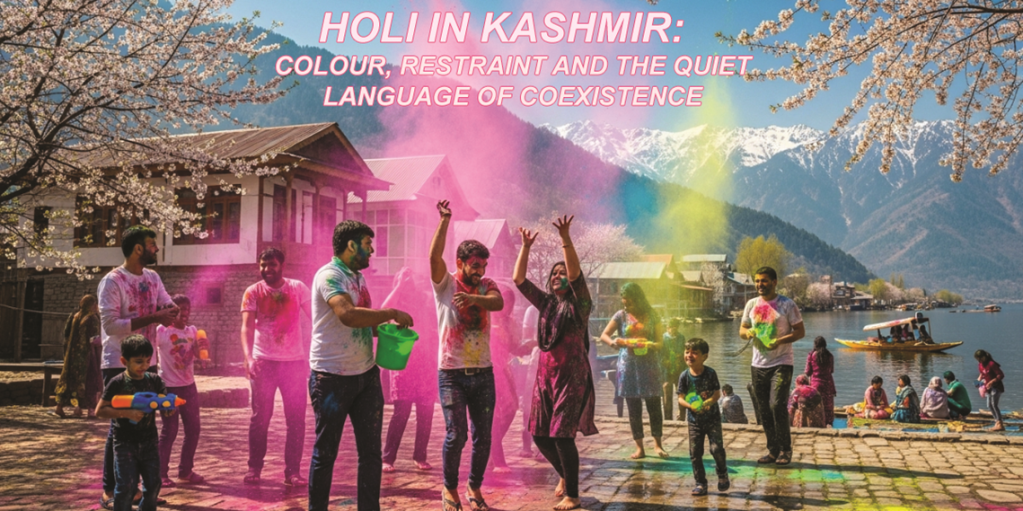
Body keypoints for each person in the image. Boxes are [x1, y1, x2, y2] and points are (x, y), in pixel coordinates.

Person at [308, 220, 413, 511]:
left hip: (366, 377)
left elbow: (365, 324)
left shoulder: (358, 277)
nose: (373, 252)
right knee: (326, 452)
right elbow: (348, 315)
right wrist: (390, 311)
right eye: (368, 245)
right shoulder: (329, 276)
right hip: (331, 377)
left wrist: (388, 331)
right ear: (351, 245)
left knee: (371, 453)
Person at [514, 215, 598, 511]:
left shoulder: (579, 306)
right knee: (538, 434)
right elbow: (519, 281)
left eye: (560, 273)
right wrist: (525, 247)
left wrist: (565, 238)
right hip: (544, 378)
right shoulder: (547, 303)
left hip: (571, 378)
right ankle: (565, 474)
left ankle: (573, 494)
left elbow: (576, 276)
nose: (556, 276)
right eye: (553, 274)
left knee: (562, 435)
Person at [430, 200, 504, 511]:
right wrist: (445, 221)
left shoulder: (487, 286)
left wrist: (474, 297)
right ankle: (449, 489)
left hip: (483, 372)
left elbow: (497, 303)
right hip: (451, 373)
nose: (481, 270)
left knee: (484, 436)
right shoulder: (445, 282)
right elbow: (434, 256)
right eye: (475, 265)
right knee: (456, 434)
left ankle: (474, 485)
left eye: (483, 265)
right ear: (461, 262)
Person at [97, 225, 178, 509]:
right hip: (118, 361)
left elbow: (165, 303)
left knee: (145, 420)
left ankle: (144, 487)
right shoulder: (112, 281)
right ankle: (112, 490)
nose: (157, 249)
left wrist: (171, 312)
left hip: (149, 361)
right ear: (139, 249)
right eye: (153, 244)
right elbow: (111, 325)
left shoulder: (153, 277)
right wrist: (154, 316)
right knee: (119, 423)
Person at [240, 247, 311, 487]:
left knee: (296, 419)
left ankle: (293, 472)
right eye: (263, 265)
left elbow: (316, 318)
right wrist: (249, 358)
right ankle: (254, 468)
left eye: (272, 265)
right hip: (264, 362)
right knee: (260, 417)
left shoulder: (298, 288)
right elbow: (247, 328)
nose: (267, 269)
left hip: (294, 364)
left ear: (282, 265)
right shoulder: (252, 292)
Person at [95, 335, 172, 511]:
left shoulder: (155, 380)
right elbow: (100, 410)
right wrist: (125, 413)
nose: (144, 366)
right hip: (124, 442)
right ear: (124, 361)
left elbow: (163, 403)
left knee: (153, 484)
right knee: (125, 487)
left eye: (147, 361)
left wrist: (168, 408)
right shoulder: (117, 383)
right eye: (138, 361)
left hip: (149, 442)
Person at [738, 266, 805, 466]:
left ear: (774, 282)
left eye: (764, 281)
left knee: (777, 405)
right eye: (757, 281)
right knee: (763, 408)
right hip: (758, 364)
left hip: (782, 363)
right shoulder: (751, 304)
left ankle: (786, 449)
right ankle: (773, 450)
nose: (760, 284)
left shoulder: (787, 305)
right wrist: (747, 333)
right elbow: (742, 329)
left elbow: (800, 332)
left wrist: (780, 341)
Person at [599, 282, 667, 460]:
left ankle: (658, 445)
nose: (626, 306)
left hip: (650, 365)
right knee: (633, 407)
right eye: (624, 302)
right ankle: (639, 448)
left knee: (653, 405)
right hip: (628, 366)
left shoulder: (652, 315)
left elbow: (660, 342)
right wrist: (614, 343)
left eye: (629, 302)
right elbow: (604, 335)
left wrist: (650, 344)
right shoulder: (621, 315)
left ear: (638, 299)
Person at [381, 268, 438, 473]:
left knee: (426, 411)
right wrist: (398, 286)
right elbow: (383, 308)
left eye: (410, 281)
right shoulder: (395, 306)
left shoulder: (424, 301)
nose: (409, 284)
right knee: (401, 412)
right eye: (404, 280)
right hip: (403, 363)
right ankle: (388, 457)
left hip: (425, 363)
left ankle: (420, 456)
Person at [156, 294, 206, 487]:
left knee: (193, 429)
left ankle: (186, 471)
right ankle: (160, 474)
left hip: (189, 387)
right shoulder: (162, 332)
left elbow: (198, 356)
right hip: (168, 388)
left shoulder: (193, 331)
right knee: (170, 430)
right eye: (179, 309)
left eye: (187, 309)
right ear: (171, 311)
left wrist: (202, 354)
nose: (184, 313)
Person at [677, 338, 728, 496]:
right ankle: (700, 483)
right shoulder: (684, 376)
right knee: (695, 452)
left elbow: (717, 394)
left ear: (704, 356)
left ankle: (722, 474)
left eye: (694, 353)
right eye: (687, 352)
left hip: (712, 420)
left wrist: (707, 403)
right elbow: (680, 398)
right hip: (694, 422)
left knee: (716, 449)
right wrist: (690, 406)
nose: (689, 355)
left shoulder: (711, 373)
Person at [488, 284, 531, 473]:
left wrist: (531, 345)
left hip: (504, 372)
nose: (510, 306)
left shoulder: (510, 322)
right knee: (493, 416)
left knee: (511, 410)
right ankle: (498, 459)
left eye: (512, 303)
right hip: (487, 371)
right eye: (507, 302)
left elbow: (515, 348)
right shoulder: (484, 319)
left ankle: (490, 447)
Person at [54, 294, 103, 418]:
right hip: (88, 354)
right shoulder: (92, 318)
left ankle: (61, 406)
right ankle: (91, 410)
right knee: (90, 379)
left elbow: (66, 333)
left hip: (73, 354)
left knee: (71, 378)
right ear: (93, 305)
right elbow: (95, 338)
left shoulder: (75, 316)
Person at [804, 336, 836, 427]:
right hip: (828, 384)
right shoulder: (830, 355)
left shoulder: (811, 355)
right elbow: (831, 370)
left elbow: (807, 371)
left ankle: (816, 422)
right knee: (828, 406)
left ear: (815, 344)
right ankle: (828, 423)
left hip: (815, 384)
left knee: (816, 404)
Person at [661, 318, 686, 421]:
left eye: (676, 328)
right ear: (668, 328)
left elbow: (684, 351)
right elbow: (659, 353)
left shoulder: (681, 337)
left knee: (681, 392)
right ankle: (667, 418)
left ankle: (681, 417)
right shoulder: (663, 338)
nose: (674, 330)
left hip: (679, 368)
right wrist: (664, 361)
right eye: (672, 328)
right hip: (666, 369)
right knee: (667, 392)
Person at [975, 350, 1005, 431]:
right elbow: (982, 374)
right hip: (988, 388)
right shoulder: (980, 365)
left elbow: (1001, 375)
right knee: (989, 405)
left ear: (984, 357)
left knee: (994, 404)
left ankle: (1000, 424)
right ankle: (997, 421)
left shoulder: (991, 364)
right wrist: (977, 382)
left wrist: (992, 381)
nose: (979, 361)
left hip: (996, 387)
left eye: (980, 359)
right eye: (978, 359)